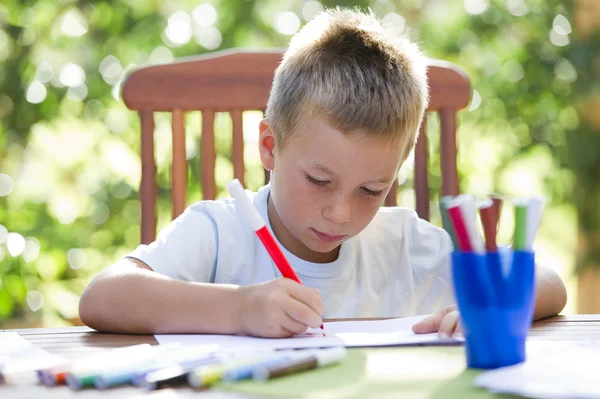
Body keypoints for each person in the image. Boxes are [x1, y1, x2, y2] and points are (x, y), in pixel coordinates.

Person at [79, 7, 567, 338]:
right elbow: (103, 297)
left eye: (372, 189)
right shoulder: (220, 232)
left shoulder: (398, 241)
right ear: (270, 146)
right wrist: (237, 309)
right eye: (319, 181)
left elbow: (549, 283)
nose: (341, 212)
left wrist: (491, 312)